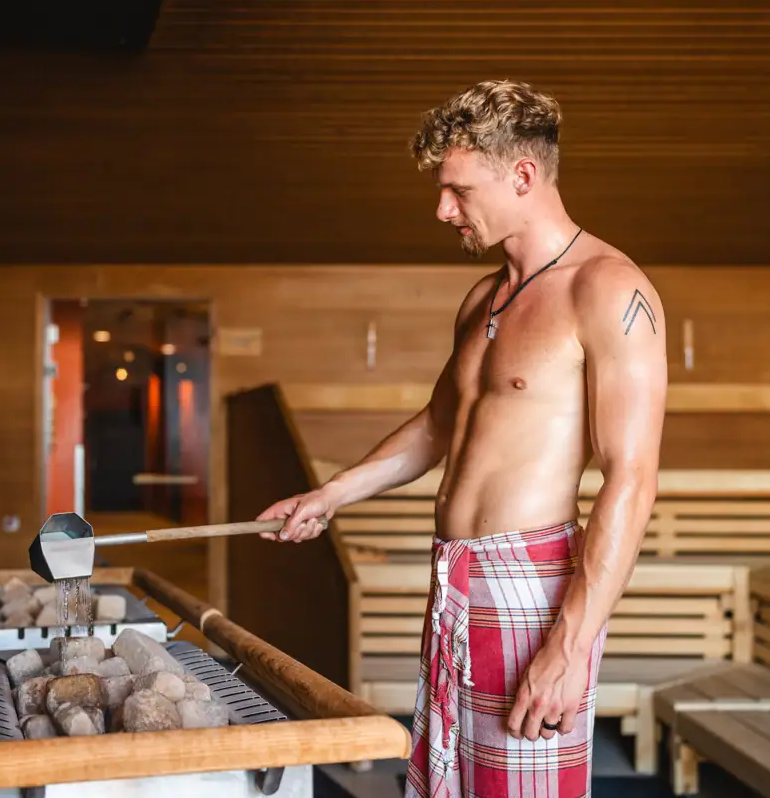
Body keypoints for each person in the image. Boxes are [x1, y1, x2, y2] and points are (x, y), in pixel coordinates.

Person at [256, 80, 667, 797]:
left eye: (457, 191)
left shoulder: (606, 290)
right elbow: (439, 426)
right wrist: (330, 495)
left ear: (523, 175)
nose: (442, 209)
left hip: (534, 590)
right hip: (454, 579)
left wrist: (569, 645)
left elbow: (632, 477)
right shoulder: (484, 297)